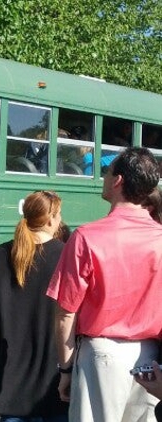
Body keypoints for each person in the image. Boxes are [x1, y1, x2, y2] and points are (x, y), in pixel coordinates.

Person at [47, 147, 162, 422]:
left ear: (118, 181)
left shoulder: (87, 238)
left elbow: (65, 313)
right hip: (151, 358)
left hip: (102, 355)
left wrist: (65, 369)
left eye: (107, 172)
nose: (104, 178)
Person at [0, 190, 68, 422]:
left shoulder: (8, 251)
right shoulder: (65, 255)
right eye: (58, 215)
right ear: (50, 219)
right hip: (51, 361)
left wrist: (1, 315)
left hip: (13, 361)